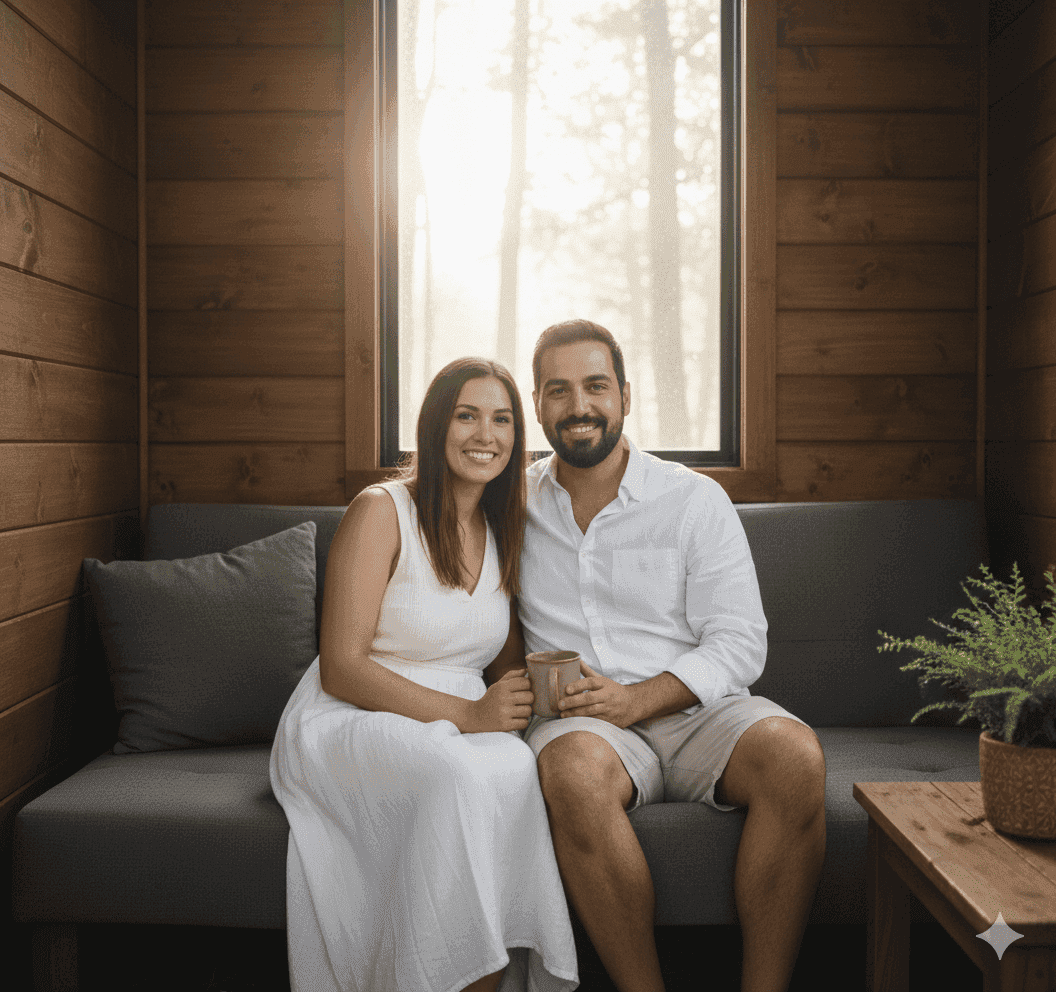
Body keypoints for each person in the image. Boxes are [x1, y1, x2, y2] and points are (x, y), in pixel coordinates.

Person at [517, 320, 827, 992]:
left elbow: (739, 641)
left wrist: (638, 698)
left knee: (795, 756)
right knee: (570, 772)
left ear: (625, 395)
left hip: (695, 713)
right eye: (558, 390)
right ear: (536, 404)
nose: (578, 405)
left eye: (596, 385)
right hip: (583, 724)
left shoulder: (691, 498)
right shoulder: (511, 506)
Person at [270, 357, 579, 992]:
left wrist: (565, 687)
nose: (485, 435)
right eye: (467, 416)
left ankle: (486, 975)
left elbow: (505, 661)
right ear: (436, 425)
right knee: (452, 772)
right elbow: (342, 667)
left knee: (516, 768)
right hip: (352, 712)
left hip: (455, 719)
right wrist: (469, 715)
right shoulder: (381, 510)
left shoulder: (500, 527)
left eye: (501, 420)